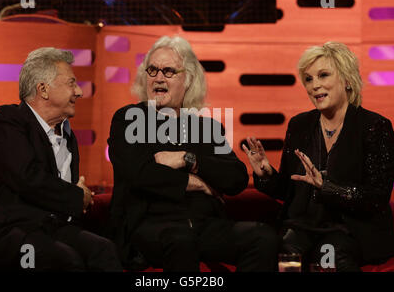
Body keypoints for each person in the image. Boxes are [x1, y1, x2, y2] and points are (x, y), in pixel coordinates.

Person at [107, 36, 279, 272]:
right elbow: (140, 174)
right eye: (152, 70)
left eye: (168, 71)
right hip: (151, 226)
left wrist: (188, 159)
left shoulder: (205, 128)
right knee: (180, 240)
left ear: (187, 80)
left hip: (203, 224)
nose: (158, 77)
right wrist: (196, 182)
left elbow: (236, 178)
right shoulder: (128, 120)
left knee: (263, 237)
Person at [0, 47, 122, 271]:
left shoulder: (68, 134)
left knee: (103, 250)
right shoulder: (8, 120)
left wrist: (78, 195)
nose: (79, 92)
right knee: (64, 260)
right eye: (71, 83)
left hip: (48, 228)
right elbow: (27, 178)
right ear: (43, 89)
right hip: (4, 233)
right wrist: (77, 195)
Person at [243, 42, 394, 271]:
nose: (314, 86)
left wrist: (326, 187)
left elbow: (375, 198)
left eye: (323, 75)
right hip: (304, 226)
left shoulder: (374, 127)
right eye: (308, 79)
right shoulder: (299, 125)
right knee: (283, 254)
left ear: (347, 80)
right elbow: (289, 190)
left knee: (329, 256)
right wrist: (266, 173)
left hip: (351, 229)